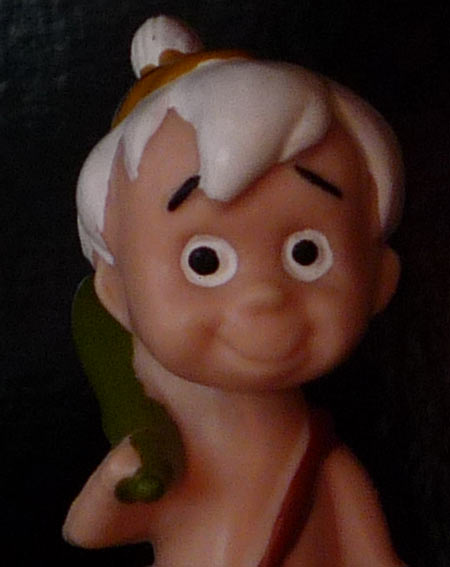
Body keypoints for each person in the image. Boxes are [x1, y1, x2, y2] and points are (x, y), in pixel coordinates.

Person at [64, 15, 406, 566]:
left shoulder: (327, 464)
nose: (264, 295)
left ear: (379, 280)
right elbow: (86, 531)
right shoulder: (172, 459)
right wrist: (119, 481)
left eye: (307, 253)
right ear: (118, 293)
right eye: (204, 262)